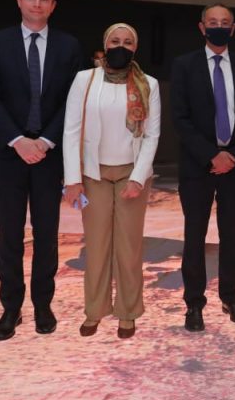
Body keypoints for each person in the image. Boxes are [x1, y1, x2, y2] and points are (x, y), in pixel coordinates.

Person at [0, 0, 83, 341]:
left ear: (53, 5)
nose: (37, 4)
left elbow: (72, 100)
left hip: (48, 156)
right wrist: (18, 140)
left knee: (47, 233)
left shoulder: (69, 46)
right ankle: (11, 307)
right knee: (9, 233)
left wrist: (46, 141)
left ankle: (42, 304)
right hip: (8, 154)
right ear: (19, 0)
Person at [62, 23, 161, 339]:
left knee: (129, 248)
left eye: (128, 42)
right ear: (105, 45)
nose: (121, 46)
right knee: (96, 246)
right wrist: (72, 179)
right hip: (94, 175)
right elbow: (71, 130)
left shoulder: (148, 84)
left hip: (131, 175)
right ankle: (95, 310)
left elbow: (152, 135)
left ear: (135, 48)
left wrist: (138, 178)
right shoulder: (85, 80)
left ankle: (128, 312)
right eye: (115, 41)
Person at [171, 4, 235, 332]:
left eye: (225, 22)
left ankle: (230, 297)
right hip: (198, 166)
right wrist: (212, 155)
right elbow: (180, 118)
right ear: (202, 27)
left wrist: (233, 155)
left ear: (234, 28)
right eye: (213, 22)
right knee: (194, 236)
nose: (219, 27)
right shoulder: (184, 66)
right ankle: (194, 303)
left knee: (230, 234)